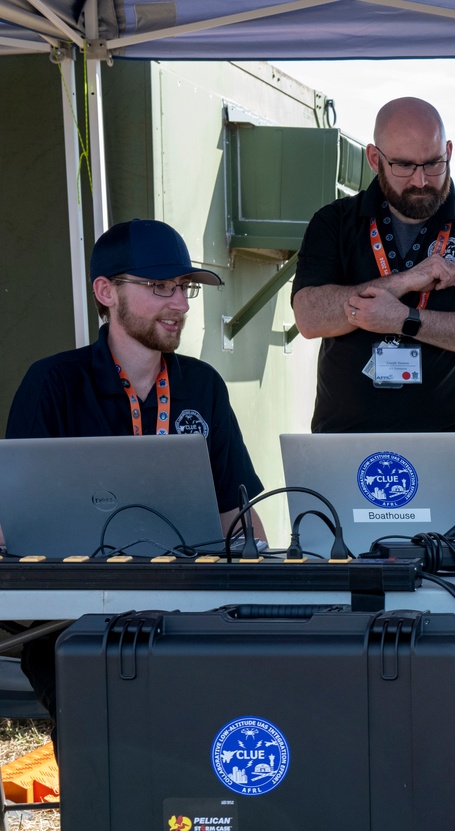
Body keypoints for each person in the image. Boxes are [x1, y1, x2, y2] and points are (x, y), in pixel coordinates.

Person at [4, 217, 267, 731]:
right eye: (159, 287)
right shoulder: (53, 383)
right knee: (104, 727)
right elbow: (10, 524)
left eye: (183, 288)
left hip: (186, 612)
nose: (181, 304)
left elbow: (240, 518)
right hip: (71, 623)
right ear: (106, 292)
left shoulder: (202, 386)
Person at [291, 96, 455, 433]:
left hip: (450, 442)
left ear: (448, 151)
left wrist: (406, 319)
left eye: (434, 163)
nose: (421, 180)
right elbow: (310, 317)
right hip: (344, 440)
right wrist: (403, 281)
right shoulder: (334, 222)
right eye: (404, 165)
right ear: (375, 159)